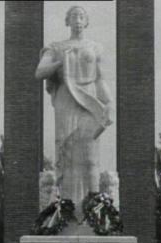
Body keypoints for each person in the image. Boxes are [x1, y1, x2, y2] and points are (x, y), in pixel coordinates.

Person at [35, 6, 114, 212]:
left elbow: (100, 79)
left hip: (89, 99)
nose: (77, 20)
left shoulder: (95, 47)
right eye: (73, 16)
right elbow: (40, 72)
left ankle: (94, 205)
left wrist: (109, 103)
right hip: (66, 98)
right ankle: (66, 205)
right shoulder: (56, 47)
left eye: (81, 16)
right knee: (66, 148)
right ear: (67, 21)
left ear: (86, 21)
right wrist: (59, 62)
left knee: (90, 151)